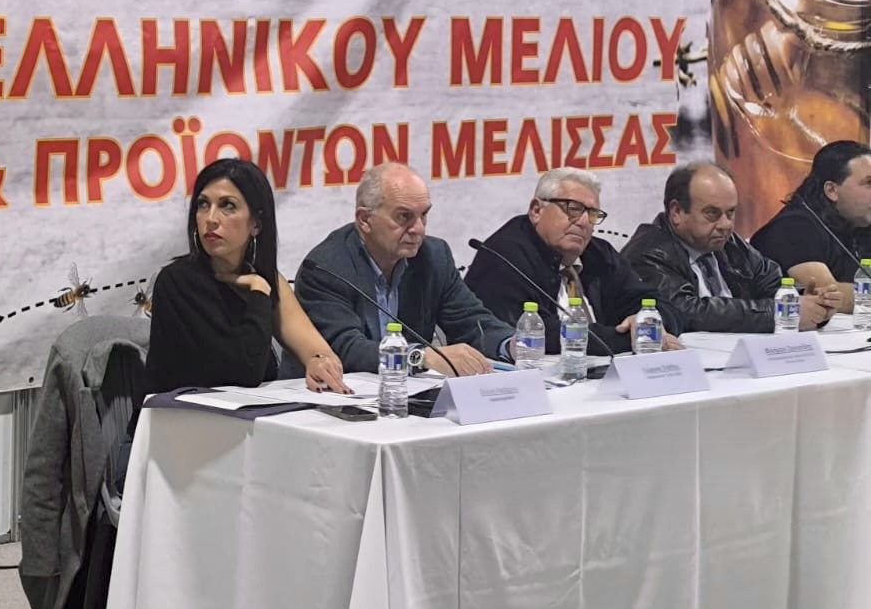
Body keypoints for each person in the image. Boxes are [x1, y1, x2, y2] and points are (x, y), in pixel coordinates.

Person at [281, 163, 513, 375]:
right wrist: (420, 357)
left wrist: (512, 344)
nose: (418, 228)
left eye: (424, 215)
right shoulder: (326, 267)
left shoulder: (433, 257)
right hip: (327, 398)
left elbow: (471, 321)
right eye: (404, 216)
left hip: (404, 395)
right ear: (364, 219)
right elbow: (346, 349)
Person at [145, 157, 349, 395]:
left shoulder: (263, 278)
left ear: (256, 224)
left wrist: (319, 362)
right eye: (203, 204)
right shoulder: (176, 282)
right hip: (178, 416)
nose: (211, 219)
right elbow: (244, 372)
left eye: (227, 206)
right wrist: (258, 292)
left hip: (243, 414)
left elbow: (320, 352)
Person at [464, 167, 681, 354]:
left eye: (593, 213)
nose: (584, 222)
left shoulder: (599, 253)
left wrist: (648, 322)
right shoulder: (505, 255)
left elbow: (658, 304)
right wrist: (629, 338)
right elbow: (537, 333)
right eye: (573, 209)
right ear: (537, 210)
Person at [623, 162, 838, 333]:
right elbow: (686, 312)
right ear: (676, 212)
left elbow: (771, 283)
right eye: (712, 213)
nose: (725, 224)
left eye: (731, 213)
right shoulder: (648, 253)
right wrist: (781, 312)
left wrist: (807, 301)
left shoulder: (728, 242)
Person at [751, 140, 871, 312]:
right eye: (869, 183)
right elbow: (828, 295)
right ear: (831, 190)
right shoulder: (793, 228)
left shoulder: (860, 223)